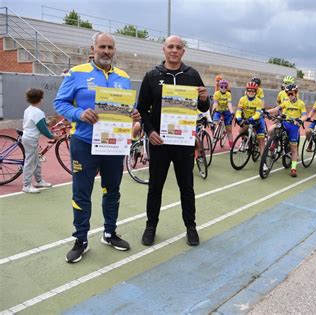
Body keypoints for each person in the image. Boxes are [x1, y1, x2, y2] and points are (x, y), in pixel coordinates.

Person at [54, 32, 140, 263]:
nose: (106, 51)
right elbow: (59, 102)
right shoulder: (77, 73)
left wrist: (133, 113)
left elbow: (128, 106)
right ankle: (80, 239)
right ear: (93, 49)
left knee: (112, 190)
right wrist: (79, 113)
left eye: (110, 47)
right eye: (102, 46)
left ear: (115, 50)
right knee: (81, 193)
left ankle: (109, 233)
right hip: (84, 143)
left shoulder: (123, 76)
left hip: (113, 144)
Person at [137, 35, 210, 247]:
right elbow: (142, 109)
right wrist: (150, 132)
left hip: (184, 142)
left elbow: (204, 108)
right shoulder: (152, 75)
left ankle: (191, 227)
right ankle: (151, 226)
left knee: (186, 187)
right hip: (159, 142)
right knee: (155, 187)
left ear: (183, 51)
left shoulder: (192, 75)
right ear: (164, 49)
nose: (174, 50)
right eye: (170, 46)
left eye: (178, 47)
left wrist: (205, 99)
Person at [22, 88, 59, 193]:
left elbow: (37, 123)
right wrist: (53, 137)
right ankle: (26, 185)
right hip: (31, 139)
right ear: (41, 99)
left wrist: (48, 123)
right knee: (30, 162)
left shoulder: (28, 109)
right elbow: (43, 130)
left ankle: (38, 181)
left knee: (37, 160)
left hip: (28, 137)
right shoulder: (39, 112)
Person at [266, 84, 306, 177]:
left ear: (296, 93)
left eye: (292, 94)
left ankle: (293, 168)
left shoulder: (301, 103)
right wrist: (266, 111)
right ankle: (273, 145)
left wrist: (300, 120)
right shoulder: (286, 102)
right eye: (288, 94)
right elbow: (277, 109)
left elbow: (304, 115)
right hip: (285, 123)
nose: (290, 96)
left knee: (293, 148)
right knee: (272, 130)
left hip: (294, 126)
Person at [235, 81, 266, 155]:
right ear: (246, 91)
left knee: (261, 141)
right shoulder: (242, 99)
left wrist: (250, 119)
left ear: (256, 92)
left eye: (253, 91)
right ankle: (245, 142)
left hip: (257, 120)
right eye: (249, 90)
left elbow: (258, 114)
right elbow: (239, 111)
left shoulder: (258, 101)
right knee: (241, 131)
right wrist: (239, 118)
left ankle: (263, 162)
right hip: (247, 119)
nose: (251, 92)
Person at [212, 79, 234, 148]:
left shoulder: (228, 94)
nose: (223, 88)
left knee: (229, 131)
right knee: (215, 122)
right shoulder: (216, 94)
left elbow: (229, 103)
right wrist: (214, 109)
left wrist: (231, 111)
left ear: (227, 87)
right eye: (222, 87)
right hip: (218, 111)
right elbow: (215, 103)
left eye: (225, 87)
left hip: (226, 111)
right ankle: (215, 134)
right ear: (219, 87)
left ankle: (231, 147)